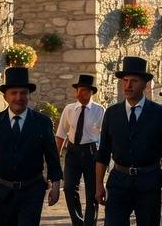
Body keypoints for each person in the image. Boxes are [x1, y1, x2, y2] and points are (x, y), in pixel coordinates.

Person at [0, 67, 62, 225]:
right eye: (14, 93)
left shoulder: (42, 122)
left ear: (28, 95)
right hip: (1, 192)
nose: (18, 97)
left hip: (32, 191)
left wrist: (55, 185)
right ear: (6, 96)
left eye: (23, 93)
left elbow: (52, 156)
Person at [95, 57, 162, 226]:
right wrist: (98, 185)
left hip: (149, 182)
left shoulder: (159, 114)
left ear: (145, 84)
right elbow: (103, 153)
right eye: (125, 80)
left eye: (134, 81)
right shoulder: (112, 113)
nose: (128, 85)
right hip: (118, 182)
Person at [56, 74, 105, 226]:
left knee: (92, 192)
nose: (79, 93)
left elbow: (105, 137)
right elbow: (61, 134)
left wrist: (104, 158)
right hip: (72, 153)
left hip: (91, 153)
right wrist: (55, 158)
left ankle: (90, 223)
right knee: (69, 188)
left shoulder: (100, 110)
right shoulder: (69, 109)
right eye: (78, 90)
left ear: (91, 92)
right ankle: (78, 222)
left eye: (83, 90)